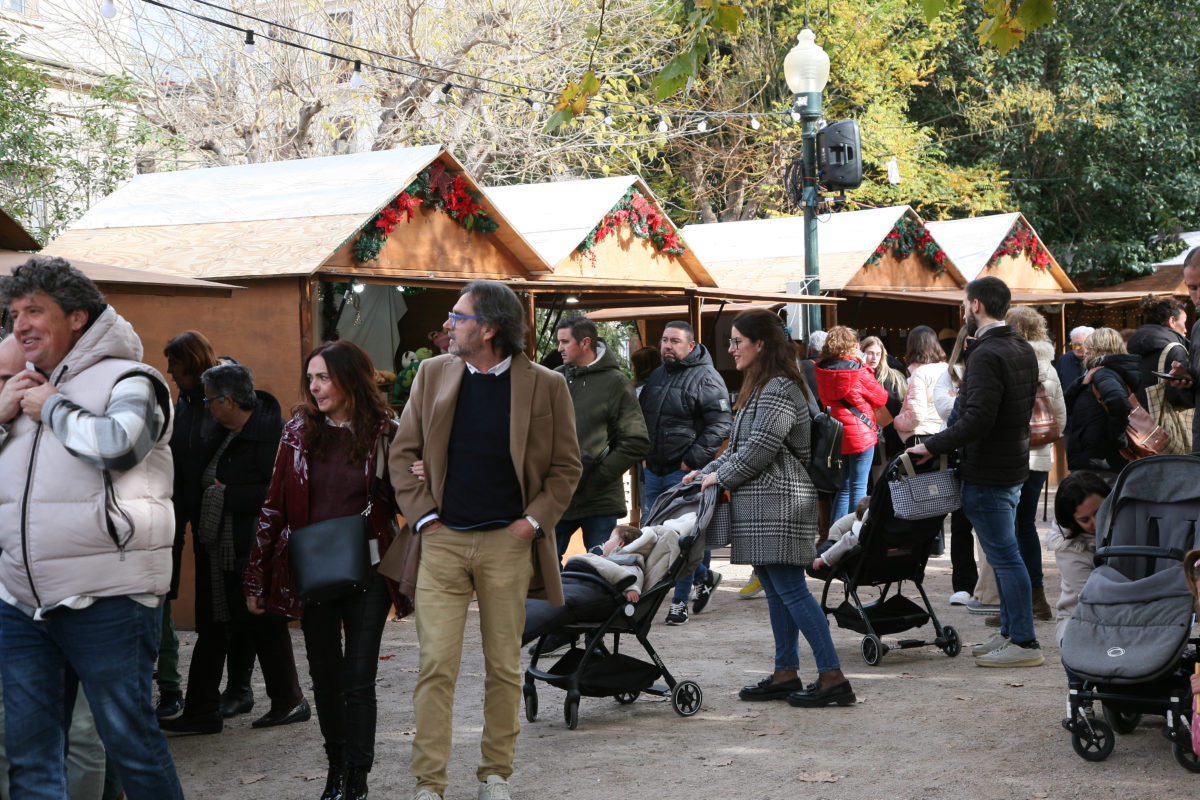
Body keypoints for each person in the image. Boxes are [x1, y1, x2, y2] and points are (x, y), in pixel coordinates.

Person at [389, 280, 582, 800]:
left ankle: (495, 776)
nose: (448, 324)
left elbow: (566, 467)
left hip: (508, 543)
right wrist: (425, 519)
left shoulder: (545, 385)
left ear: (490, 328)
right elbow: (401, 454)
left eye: (459, 316)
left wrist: (532, 523)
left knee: (502, 665)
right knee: (435, 665)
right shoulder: (432, 374)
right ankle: (429, 784)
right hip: (444, 540)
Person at [0, 256, 184, 799]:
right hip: (22, 604)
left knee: (132, 746)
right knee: (31, 759)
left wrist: (52, 408)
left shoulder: (132, 379)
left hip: (109, 600)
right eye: (15, 313)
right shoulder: (22, 390)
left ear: (77, 317)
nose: (22, 324)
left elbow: (121, 445)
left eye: (36, 310)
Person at [244, 340, 406, 800]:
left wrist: (416, 471)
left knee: (358, 679)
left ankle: (357, 779)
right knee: (325, 676)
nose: (314, 387)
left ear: (351, 378)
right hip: (311, 569)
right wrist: (256, 576)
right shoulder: (296, 432)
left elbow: (409, 497)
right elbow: (273, 507)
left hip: (368, 568)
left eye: (324, 377)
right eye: (310, 378)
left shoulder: (386, 431)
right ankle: (336, 769)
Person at [691, 310, 852, 708]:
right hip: (765, 503)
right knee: (779, 592)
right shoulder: (762, 385)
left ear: (760, 344)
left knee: (792, 592)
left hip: (779, 502)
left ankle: (832, 676)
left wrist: (719, 477)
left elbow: (761, 449)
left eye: (736, 341)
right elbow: (743, 445)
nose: (730, 349)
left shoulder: (779, 387)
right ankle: (785, 672)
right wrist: (706, 471)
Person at [162, 364, 308, 735]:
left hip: (250, 550)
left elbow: (281, 495)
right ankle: (202, 711)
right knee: (215, 628)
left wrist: (230, 495)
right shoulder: (222, 431)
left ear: (228, 401)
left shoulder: (269, 436)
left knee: (263, 626)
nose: (208, 406)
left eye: (211, 400)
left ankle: (288, 701)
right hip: (218, 550)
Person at [908, 276, 1041, 668]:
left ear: (977, 305)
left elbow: (977, 418)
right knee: (1006, 556)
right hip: (1010, 465)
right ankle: (1011, 634)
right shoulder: (1019, 347)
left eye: (965, 303)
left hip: (991, 471)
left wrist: (931, 445)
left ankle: (1023, 641)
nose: (963, 309)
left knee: (1005, 557)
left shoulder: (988, 353)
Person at [638, 320, 731, 626]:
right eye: (664, 340)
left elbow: (720, 425)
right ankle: (704, 576)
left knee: (684, 539)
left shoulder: (707, 377)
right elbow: (643, 419)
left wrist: (691, 461)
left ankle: (679, 602)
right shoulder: (657, 375)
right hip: (653, 470)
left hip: (685, 473)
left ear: (690, 345)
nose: (667, 345)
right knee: (653, 535)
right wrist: (643, 455)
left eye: (674, 341)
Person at [552, 316, 649, 560]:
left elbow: (636, 441)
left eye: (564, 342)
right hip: (558, 496)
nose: (559, 348)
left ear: (585, 342)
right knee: (544, 571)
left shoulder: (616, 382)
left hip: (599, 501)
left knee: (601, 571)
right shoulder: (554, 378)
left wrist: (599, 477)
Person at [158, 330, 218, 721]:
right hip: (176, 505)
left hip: (207, 507)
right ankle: (173, 687)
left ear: (191, 364)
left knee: (214, 598)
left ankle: (217, 689)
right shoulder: (183, 398)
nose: (170, 372)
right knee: (164, 588)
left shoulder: (216, 394)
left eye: (175, 365)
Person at [1005, 306, 1066, 625]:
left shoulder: (1008, 361)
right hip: (1040, 457)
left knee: (1008, 530)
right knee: (1025, 525)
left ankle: (1015, 604)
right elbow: (1062, 420)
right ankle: (1037, 597)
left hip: (1010, 455)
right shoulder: (1050, 367)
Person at [815, 325, 887, 520]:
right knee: (859, 485)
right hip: (860, 433)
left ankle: (835, 536)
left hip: (836, 433)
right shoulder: (859, 370)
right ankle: (855, 535)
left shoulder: (821, 368)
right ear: (852, 345)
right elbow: (881, 398)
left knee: (843, 487)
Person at [932, 328, 981, 607]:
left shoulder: (985, 368)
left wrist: (964, 402)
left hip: (983, 453)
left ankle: (988, 585)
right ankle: (964, 583)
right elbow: (944, 408)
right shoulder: (949, 372)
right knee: (960, 520)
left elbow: (964, 409)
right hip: (955, 452)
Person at [1063, 327, 1142, 478]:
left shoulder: (1103, 373)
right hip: (1099, 455)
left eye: (1088, 346)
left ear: (1096, 348)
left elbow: (1119, 402)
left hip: (1099, 457)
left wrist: (1116, 438)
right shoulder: (1105, 372)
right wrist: (1082, 383)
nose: (1085, 351)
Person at [1047, 471, 1110, 647]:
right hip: (1083, 619)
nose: (1097, 523)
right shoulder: (1068, 548)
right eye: (1085, 520)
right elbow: (1098, 601)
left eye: (1100, 512)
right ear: (1071, 521)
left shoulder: (1130, 520)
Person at [891, 326, 948, 447]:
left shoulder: (920, 373)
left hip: (923, 436)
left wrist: (896, 422)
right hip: (946, 433)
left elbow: (916, 415)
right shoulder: (947, 369)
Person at [859, 335, 906, 464]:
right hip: (863, 435)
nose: (874, 358)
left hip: (887, 436)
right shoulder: (856, 375)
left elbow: (895, 409)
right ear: (862, 353)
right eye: (870, 353)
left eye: (878, 354)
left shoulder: (891, 377)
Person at [1055, 326, 1093, 390]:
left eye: (1080, 345)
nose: (1077, 348)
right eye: (1074, 345)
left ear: (1090, 344)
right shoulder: (1064, 360)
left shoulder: (1096, 360)